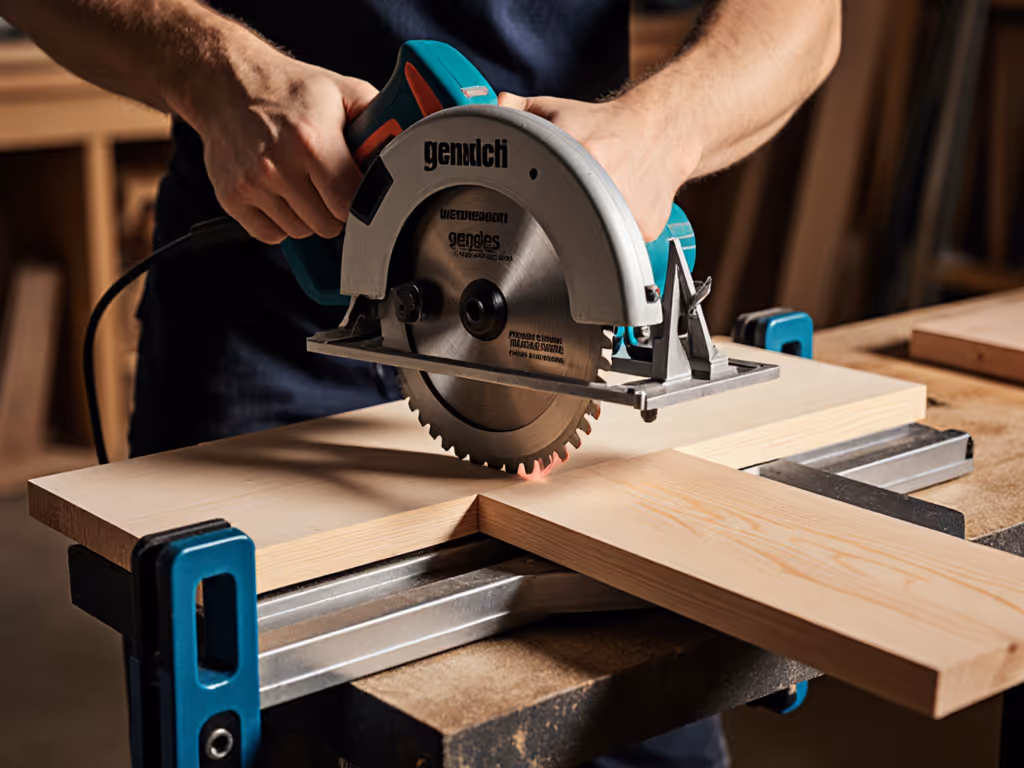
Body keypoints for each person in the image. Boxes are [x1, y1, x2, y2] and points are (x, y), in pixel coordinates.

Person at [0, 1, 841, 765]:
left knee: (641, 717)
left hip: (558, 297)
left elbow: (804, 17)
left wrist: (661, 132)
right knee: (263, 726)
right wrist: (217, 73)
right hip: (273, 273)